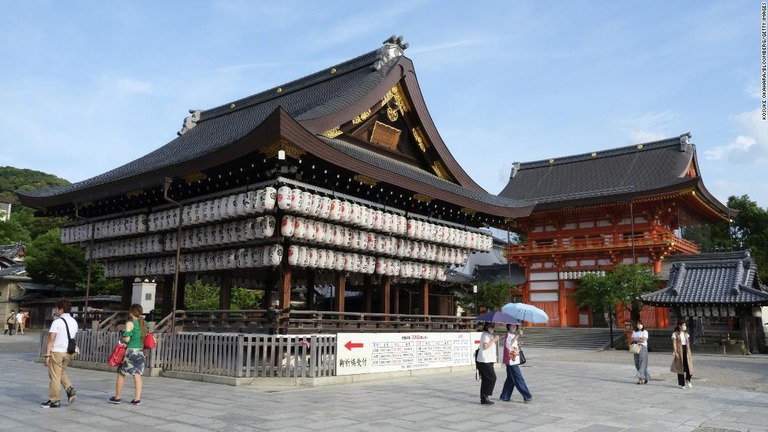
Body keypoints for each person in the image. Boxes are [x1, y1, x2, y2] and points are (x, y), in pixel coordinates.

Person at [41, 299, 78, 408]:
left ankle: (54, 400)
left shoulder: (57, 322)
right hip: (68, 352)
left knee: (54, 377)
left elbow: (51, 339)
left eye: (56, 308)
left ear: (61, 309)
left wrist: (47, 355)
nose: (55, 310)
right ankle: (70, 389)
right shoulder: (74, 322)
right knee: (61, 372)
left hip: (57, 351)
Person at [109, 304, 147, 405]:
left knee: (121, 373)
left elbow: (127, 339)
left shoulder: (130, 323)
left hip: (130, 352)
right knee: (137, 375)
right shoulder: (144, 323)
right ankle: (137, 399)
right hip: (140, 351)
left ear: (131, 312)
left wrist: (124, 334)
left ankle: (117, 397)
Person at [499, 324, 534, 403]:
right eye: (512, 326)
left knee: (510, 379)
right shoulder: (508, 335)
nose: (514, 327)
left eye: (515, 326)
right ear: (508, 327)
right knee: (519, 378)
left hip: (514, 359)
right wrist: (518, 335)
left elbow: (513, 346)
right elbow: (509, 344)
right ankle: (527, 396)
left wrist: (518, 344)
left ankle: (505, 396)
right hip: (511, 360)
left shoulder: (512, 335)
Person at [476, 322, 499, 405]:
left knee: (486, 380)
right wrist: (494, 340)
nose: (492, 328)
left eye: (493, 326)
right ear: (486, 326)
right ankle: (486, 395)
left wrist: (493, 339)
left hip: (489, 360)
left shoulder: (489, 335)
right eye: (490, 326)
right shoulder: (485, 335)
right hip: (484, 360)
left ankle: (484, 398)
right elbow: (485, 346)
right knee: (492, 378)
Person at [671, 320, 694, 389]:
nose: (685, 326)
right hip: (679, 350)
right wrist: (675, 352)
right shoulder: (675, 334)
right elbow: (674, 343)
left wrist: (689, 352)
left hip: (686, 351)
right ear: (680, 326)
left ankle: (688, 379)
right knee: (680, 367)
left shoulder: (686, 334)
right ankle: (682, 384)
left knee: (689, 366)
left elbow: (688, 344)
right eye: (683, 325)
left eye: (685, 325)